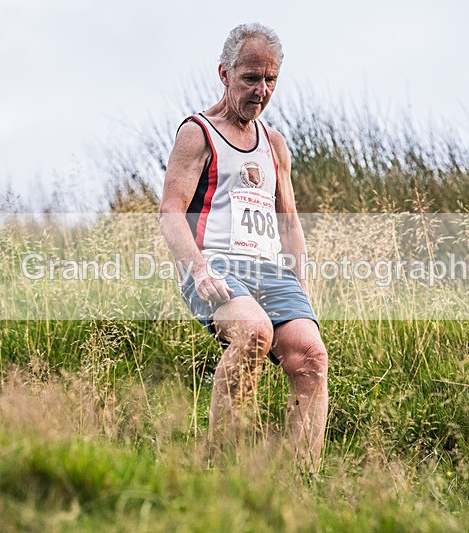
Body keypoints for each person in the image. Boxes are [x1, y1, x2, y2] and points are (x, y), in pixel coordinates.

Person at [158, 23, 328, 473]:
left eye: (270, 79)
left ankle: (302, 480)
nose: (261, 90)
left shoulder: (274, 144)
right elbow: (170, 212)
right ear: (224, 73)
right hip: (214, 266)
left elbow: (288, 220)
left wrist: (303, 288)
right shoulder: (198, 133)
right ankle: (221, 466)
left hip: (271, 272)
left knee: (311, 356)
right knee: (254, 332)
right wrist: (196, 269)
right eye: (251, 78)